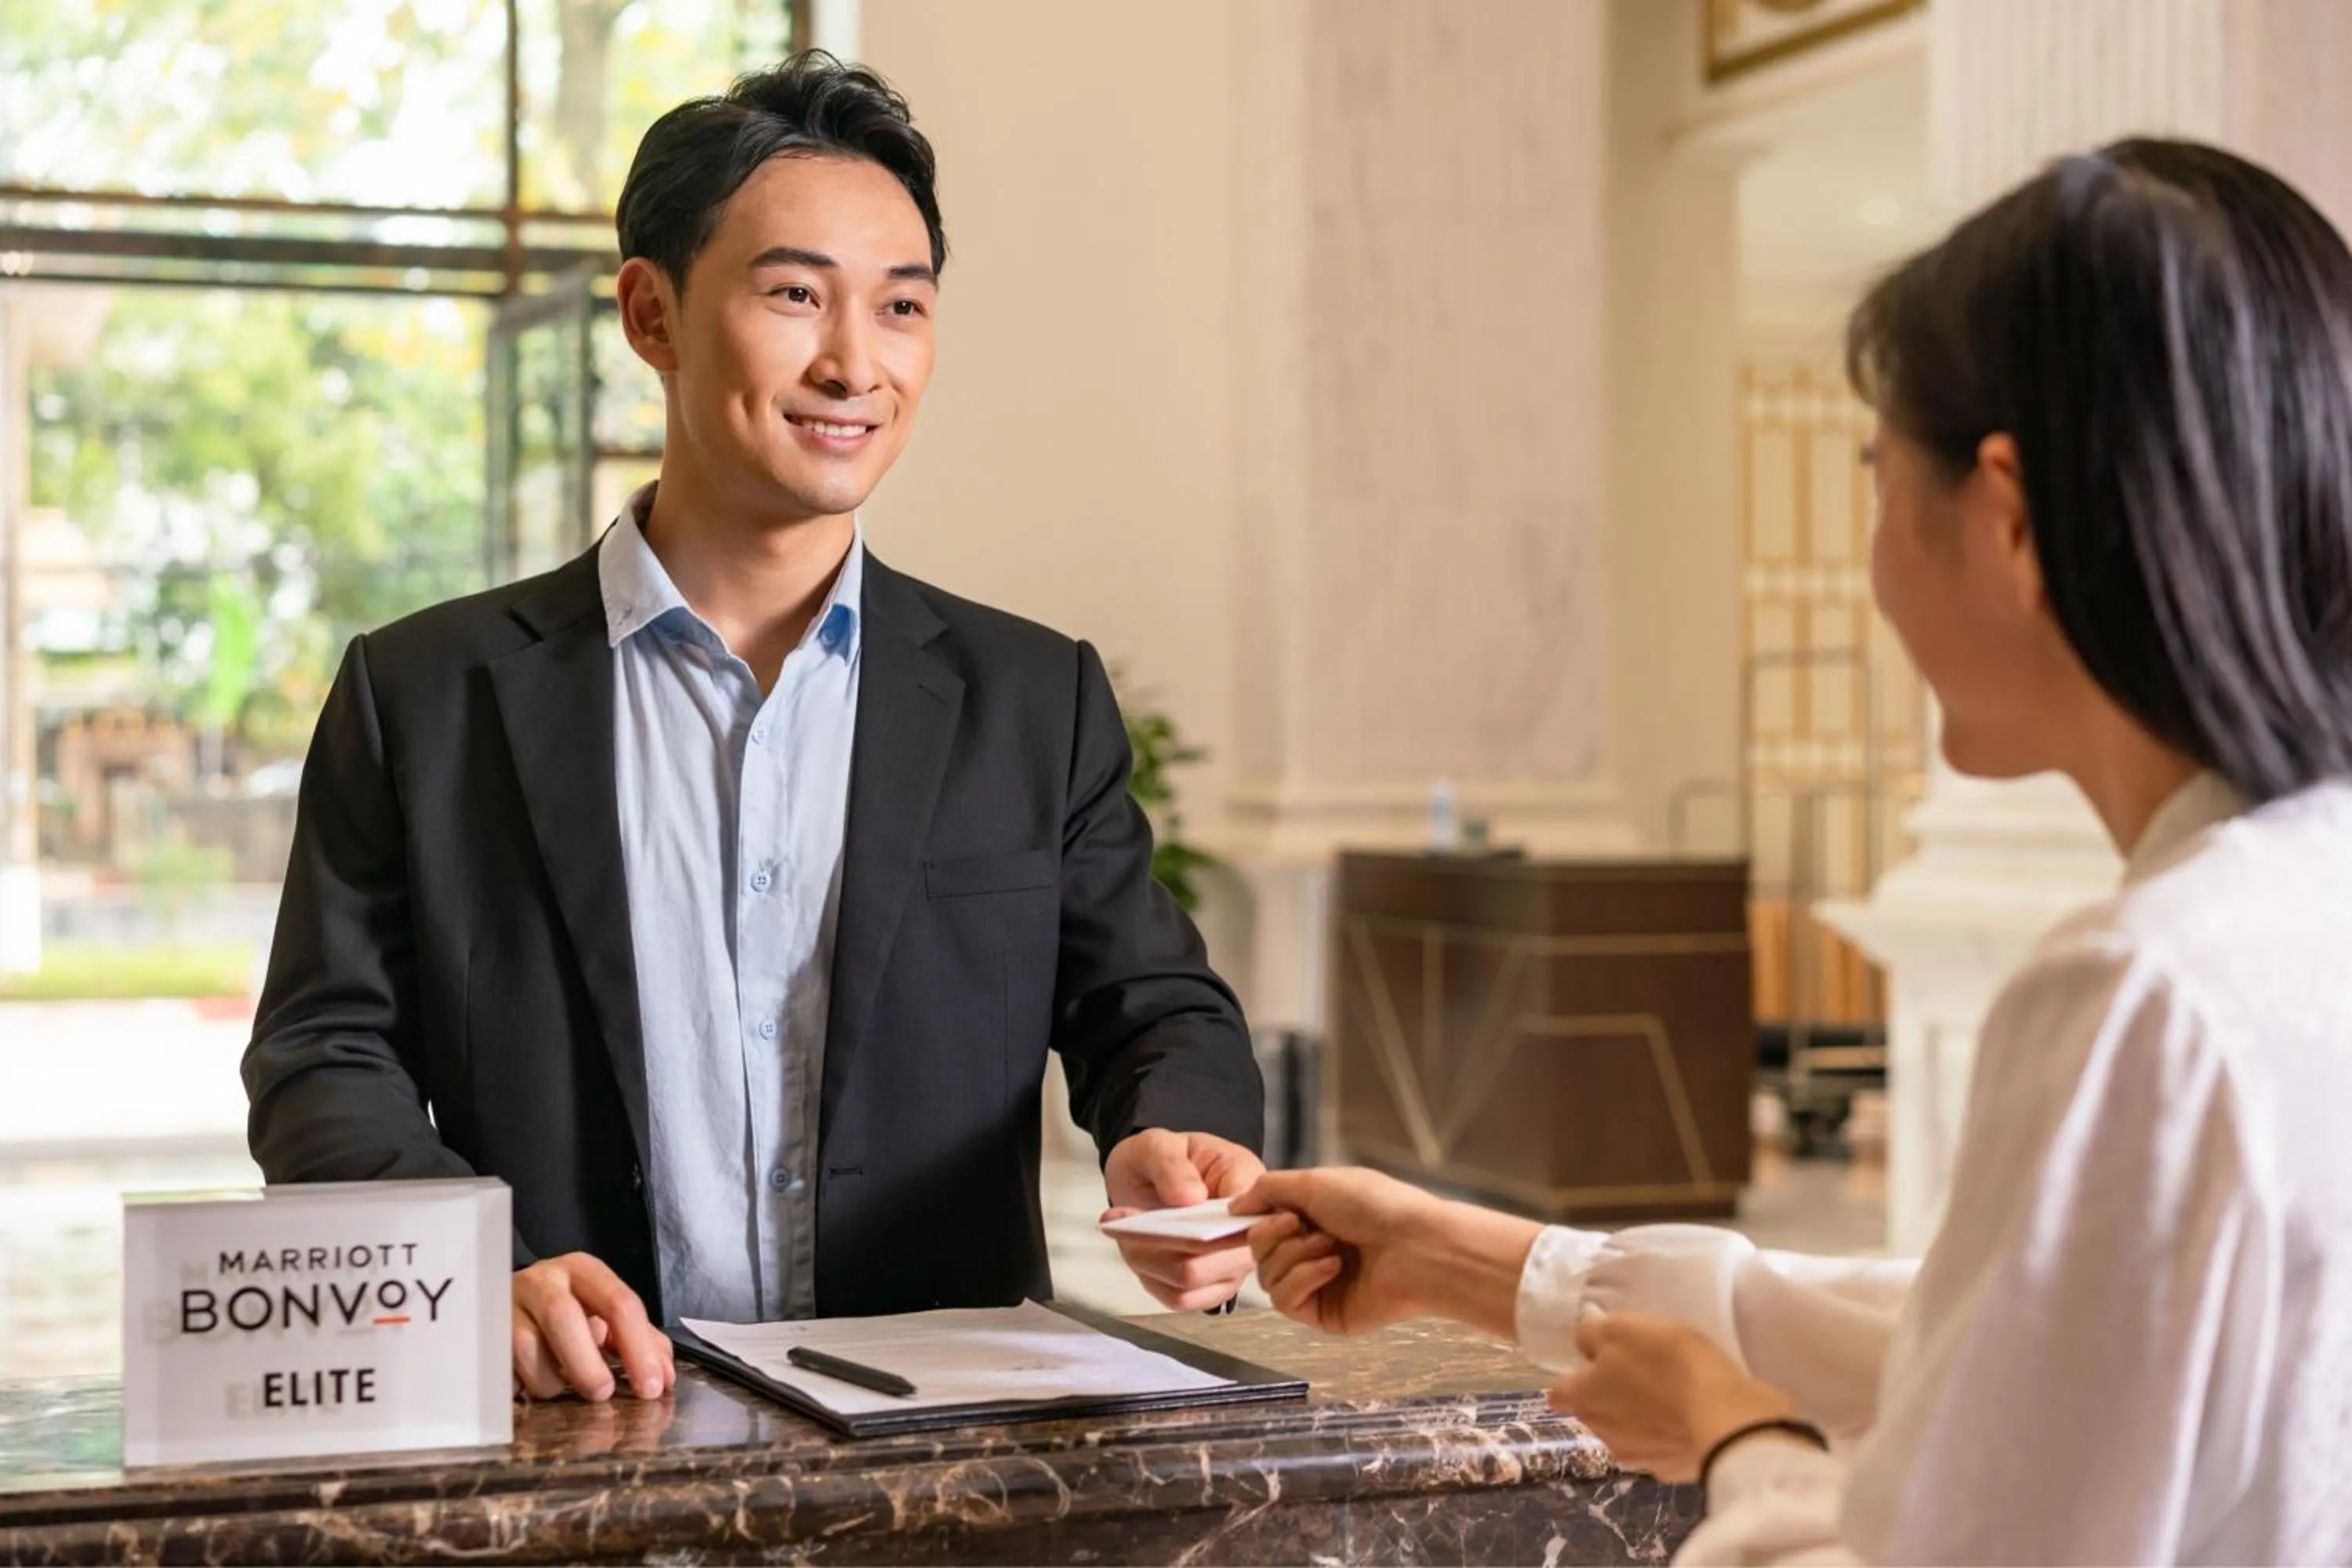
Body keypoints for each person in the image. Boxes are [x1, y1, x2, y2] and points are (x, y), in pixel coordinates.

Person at [1240, 139, 2352, 1564]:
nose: (1880, 558)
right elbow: (2014, 1333)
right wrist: (1478, 1262)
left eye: (1880, 478)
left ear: (2005, 518)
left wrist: (1739, 1445)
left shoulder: (2142, 992)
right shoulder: (2281, 919)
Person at [244, 53, 1265, 1404]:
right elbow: (326, 1055)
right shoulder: (424, 694)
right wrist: (465, 1254)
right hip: (583, 1428)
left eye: (902, 308)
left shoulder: (1030, 697)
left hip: (939, 1461)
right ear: (650, 314)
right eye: (796, 295)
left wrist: (1176, 1141)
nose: (855, 363)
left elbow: (1152, 1008)